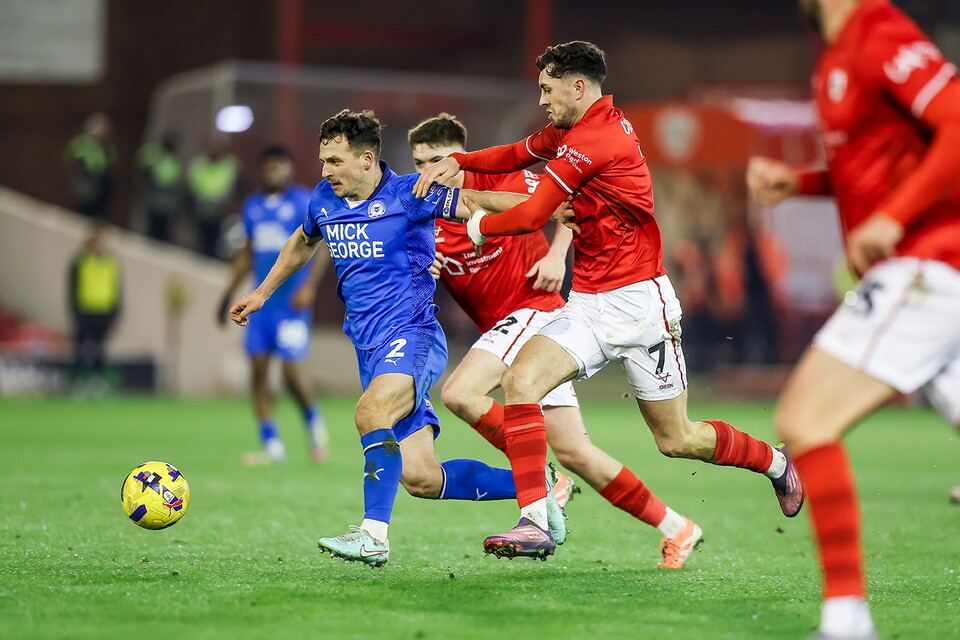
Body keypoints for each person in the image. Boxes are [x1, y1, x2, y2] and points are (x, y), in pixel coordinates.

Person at [413, 41, 803, 563]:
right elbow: (516, 154)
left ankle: (775, 464)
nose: (543, 101)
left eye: (548, 91)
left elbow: (532, 215)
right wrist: (459, 161)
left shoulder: (593, 141)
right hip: (588, 303)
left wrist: (478, 224)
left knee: (678, 439)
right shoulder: (573, 129)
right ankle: (534, 519)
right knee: (520, 380)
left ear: (578, 88)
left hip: (641, 305)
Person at [229, 109, 573, 566]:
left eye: (334, 161)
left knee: (370, 410)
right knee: (421, 479)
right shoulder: (323, 200)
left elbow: (474, 201)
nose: (325, 171)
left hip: (413, 335)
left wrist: (548, 207)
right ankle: (538, 487)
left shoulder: (410, 194)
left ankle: (373, 536)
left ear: (367, 158)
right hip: (369, 347)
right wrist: (261, 292)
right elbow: (303, 241)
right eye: (323, 161)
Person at [745, 1, 960, 637]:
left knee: (805, 419)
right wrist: (803, 184)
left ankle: (847, 623)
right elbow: (880, 163)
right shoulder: (835, 51)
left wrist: (896, 219)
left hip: (926, 263)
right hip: (924, 266)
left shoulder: (878, 31)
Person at [408, 113, 706, 568]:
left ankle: (542, 483)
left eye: (434, 161)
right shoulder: (424, 221)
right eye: (417, 163)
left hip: (535, 312)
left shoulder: (502, 183)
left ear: (455, 160)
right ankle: (678, 527)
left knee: (460, 392)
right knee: (577, 452)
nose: (425, 172)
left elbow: (570, 201)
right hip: (511, 334)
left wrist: (555, 253)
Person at [218, 145, 330, 465]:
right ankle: (272, 446)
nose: (273, 173)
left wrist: (309, 287)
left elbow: (320, 246)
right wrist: (227, 293)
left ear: (289, 169)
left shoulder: (302, 201)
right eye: (268, 168)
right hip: (261, 306)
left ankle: (315, 428)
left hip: (291, 306)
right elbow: (247, 252)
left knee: (291, 372)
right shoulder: (252, 206)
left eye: (279, 167)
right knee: (257, 372)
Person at [68, 222, 121, 393]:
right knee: (81, 348)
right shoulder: (80, 260)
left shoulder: (111, 262)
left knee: (101, 350)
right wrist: (75, 313)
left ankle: (99, 383)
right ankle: (76, 383)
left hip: (104, 312)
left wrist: (116, 313)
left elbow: (117, 290)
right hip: (84, 311)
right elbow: (72, 289)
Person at [188, 144, 239, 257]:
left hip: (217, 207)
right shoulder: (201, 164)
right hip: (202, 204)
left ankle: (209, 254)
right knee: (201, 233)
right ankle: (200, 253)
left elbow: (228, 183)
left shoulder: (226, 166)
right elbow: (194, 180)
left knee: (213, 234)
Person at [64, 112, 117, 220]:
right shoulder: (81, 143)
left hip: (100, 187)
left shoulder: (108, 148)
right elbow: (69, 160)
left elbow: (112, 167)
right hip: (84, 184)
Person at [137, 132, 183, 243]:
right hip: (153, 197)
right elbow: (141, 164)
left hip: (165, 202)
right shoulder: (155, 156)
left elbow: (173, 183)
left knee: (161, 231)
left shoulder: (173, 163)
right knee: (151, 228)